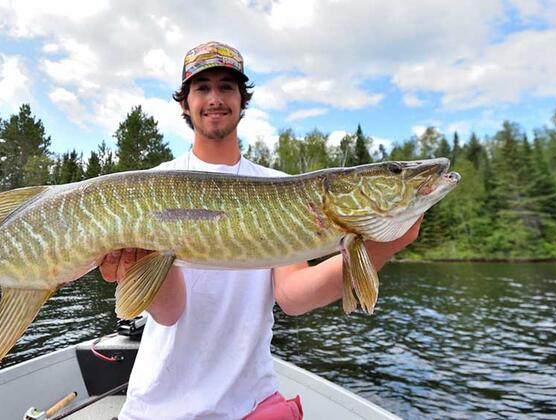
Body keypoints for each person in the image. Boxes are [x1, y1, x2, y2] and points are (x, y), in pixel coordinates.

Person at [100, 41, 422, 420]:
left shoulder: (283, 188)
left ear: (242, 100)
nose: (215, 98)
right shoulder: (150, 188)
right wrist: (129, 268)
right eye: (202, 88)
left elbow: (292, 296)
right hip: (158, 406)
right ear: (185, 103)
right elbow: (169, 313)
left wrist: (383, 246)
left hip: (248, 405)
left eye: (226, 87)